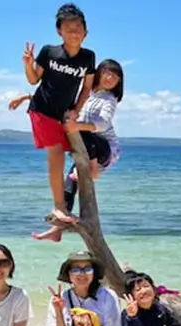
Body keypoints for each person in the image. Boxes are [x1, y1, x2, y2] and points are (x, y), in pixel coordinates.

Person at [10, 59, 124, 241]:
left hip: (103, 149)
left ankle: (93, 169)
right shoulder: (86, 94)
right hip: (84, 150)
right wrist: (25, 97)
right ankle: (57, 229)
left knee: (80, 131)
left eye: (115, 76)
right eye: (107, 72)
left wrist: (78, 125)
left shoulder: (109, 100)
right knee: (68, 188)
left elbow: (102, 124)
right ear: (98, 73)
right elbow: (56, 102)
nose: (110, 78)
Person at [22, 3, 96, 225]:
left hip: (63, 115)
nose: (74, 32)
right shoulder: (49, 52)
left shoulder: (88, 57)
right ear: (59, 31)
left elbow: (86, 88)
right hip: (42, 110)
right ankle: (59, 206)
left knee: (81, 154)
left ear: (86, 32)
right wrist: (28, 63)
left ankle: (65, 215)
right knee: (56, 154)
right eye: (68, 27)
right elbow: (34, 79)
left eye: (78, 27)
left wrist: (75, 111)